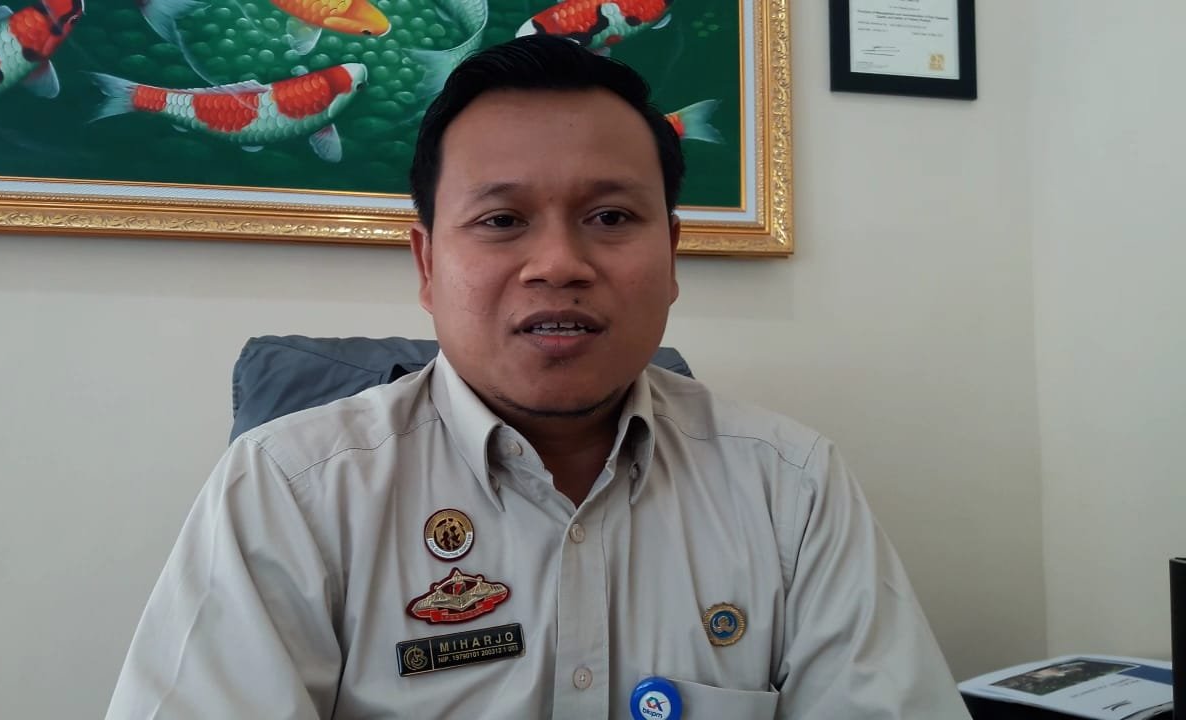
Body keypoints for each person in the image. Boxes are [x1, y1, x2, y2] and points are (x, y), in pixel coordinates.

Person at [105, 35, 972, 719]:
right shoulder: (287, 491)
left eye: (610, 216)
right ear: (427, 264)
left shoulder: (792, 486)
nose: (558, 263)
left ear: (672, 256)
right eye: (502, 220)